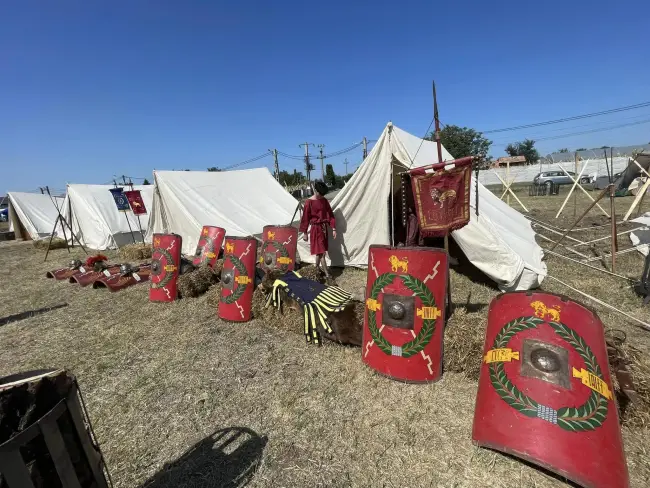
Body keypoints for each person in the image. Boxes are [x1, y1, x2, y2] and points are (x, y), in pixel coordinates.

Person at [300, 181, 337, 277]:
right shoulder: (309, 202)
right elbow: (305, 218)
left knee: (320, 251)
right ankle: (327, 275)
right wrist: (304, 232)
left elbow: (330, 215)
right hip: (315, 230)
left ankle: (316, 269)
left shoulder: (324, 201)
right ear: (315, 190)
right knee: (321, 253)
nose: (321, 196)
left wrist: (333, 228)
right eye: (320, 194)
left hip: (323, 229)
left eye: (322, 195)